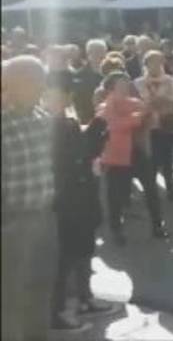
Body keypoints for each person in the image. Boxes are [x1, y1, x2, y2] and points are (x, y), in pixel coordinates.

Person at [45, 84, 117, 333]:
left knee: (83, 249)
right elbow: (74, 156)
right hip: (65, 200)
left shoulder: (66, 122)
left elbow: (85, 155)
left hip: (81, 196)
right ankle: (60, 310)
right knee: (66, 257)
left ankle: (84, 299)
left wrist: (96, 133)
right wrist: (98, 127)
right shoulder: (51, 124)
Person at [1, 56, 58, 341]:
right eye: (34, 80)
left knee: (40, 287)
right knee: (9, 297)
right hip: (11, 223)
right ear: (11, 83)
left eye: (41, 79)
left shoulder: (42, 117)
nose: (41, 86)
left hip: (44, 218)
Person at [98, 71, 168, 245]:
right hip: (116, 156)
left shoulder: (135, 103)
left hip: (137, 152)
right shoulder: (104, 107)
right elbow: (113, 125)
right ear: (110, 89)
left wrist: (151, 113)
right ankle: (116, 230)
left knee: (151, 190)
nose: (125, 88)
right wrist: (137, 118)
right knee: (115, 196)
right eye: (120, 85)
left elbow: (151, 121)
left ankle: (157, 225)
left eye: (126, 84)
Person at [135, 50, 173, 202]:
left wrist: (158, 100)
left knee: (168, 158)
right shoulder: (139, 82)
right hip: (149, 125)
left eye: (159, 62)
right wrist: (159, 100)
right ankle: (151, 190)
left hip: (167, 123)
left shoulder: (169, 80)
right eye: (152, 62)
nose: (156, 65)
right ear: (146, 64)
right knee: (152, 159)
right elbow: (142, 101)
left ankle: (171, 188)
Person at [71, 39, 108, 124]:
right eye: (96, 52)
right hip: (88, 120)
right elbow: (77, 101)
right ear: (89, 54)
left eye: (102, 52)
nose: (99, 55)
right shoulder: (79, 75)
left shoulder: (111, 74)